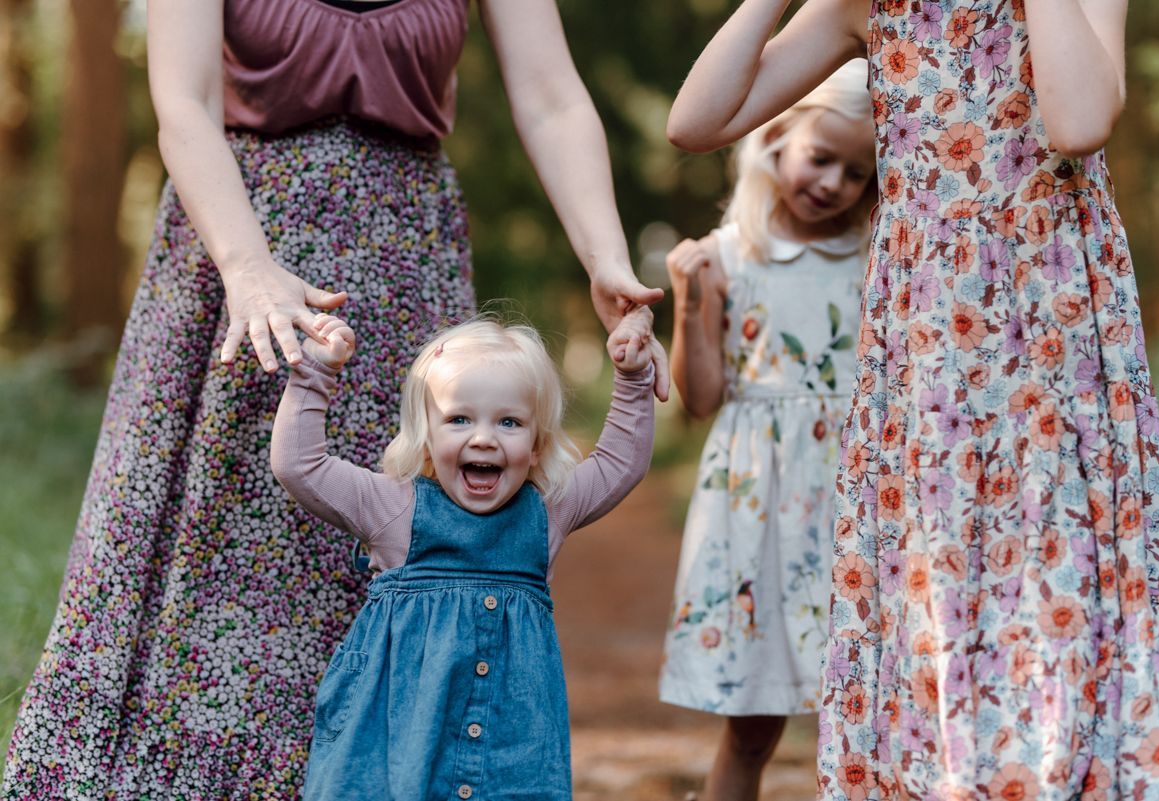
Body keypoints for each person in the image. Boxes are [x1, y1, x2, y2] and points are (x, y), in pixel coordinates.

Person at [2, 1, 667, 797]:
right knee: (232, 544)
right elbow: (182, 104)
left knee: (408, 533)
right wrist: (246, 268)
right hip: (241, 245)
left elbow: (552, 95)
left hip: (402, 257)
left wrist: (604, 256)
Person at [666, 0, 1159, 798]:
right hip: (929, 338)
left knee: (1058, 566)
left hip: (1051, 318)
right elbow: (697, 120)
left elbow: (1081, 121)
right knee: (938, 576)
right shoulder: (869, 6)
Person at [269, 310, 654, 800]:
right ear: (426, 435)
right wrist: (316, 372)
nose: (484, 437)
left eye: (509, 421)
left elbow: (620, 461)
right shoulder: (394, 507)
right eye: (459, 419)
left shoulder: (547, 512)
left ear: (536, 445)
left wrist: (633, 376)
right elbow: (299, 465)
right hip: (394, 742)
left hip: (513, 745)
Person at [657, 59, 874, 801]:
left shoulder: (878, 256)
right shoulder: (725, 255)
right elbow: (701, 397)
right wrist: (691, 305)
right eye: (822, 157)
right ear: (778, 136)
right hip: (758, 499)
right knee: (754, 719)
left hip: (851, 496)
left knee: (872, 697)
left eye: (856, 172)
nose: (833, 183)